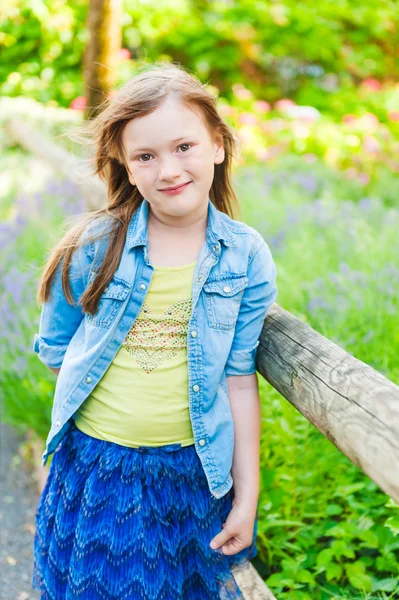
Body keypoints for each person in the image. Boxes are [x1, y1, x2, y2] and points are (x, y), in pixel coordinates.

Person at [31, 61, 278, 600]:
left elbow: (239, 380)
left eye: (184, 146)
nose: (168, 169)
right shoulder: (94, 246)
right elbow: (56, 348)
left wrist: (247, 494)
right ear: (125, 164)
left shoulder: (245, 257)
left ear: (217, 143)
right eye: (146, 156)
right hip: (100, 467)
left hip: (190, 474)